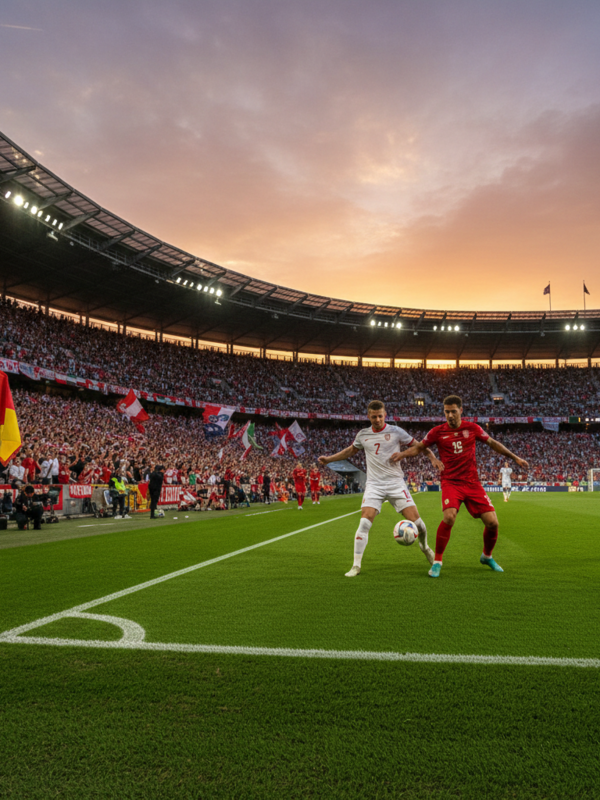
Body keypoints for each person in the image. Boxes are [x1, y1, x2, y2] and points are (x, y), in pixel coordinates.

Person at [392, 395, 529, 578]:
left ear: (461, 410)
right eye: (447, 412)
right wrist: (402, 455)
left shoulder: (472, 428)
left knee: (493, 522)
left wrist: (515, 458)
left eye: (453, 411)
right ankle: (437, 561)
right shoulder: (437, 432)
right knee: (449, 517)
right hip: (451, 482)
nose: (449, 415)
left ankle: (487, 556)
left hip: (472, 483)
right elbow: (419, 447)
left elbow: (493, 443)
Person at [318, 399, 442, 577]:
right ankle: (356, 565)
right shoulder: (363, 434)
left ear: (385, 415)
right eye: (374, 416)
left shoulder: (396, 431)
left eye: (380, 416)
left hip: (395, 483)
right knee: (364, 522)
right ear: (368, 416)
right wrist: (329, 459)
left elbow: (420, 446)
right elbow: (350, 451)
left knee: (418, 524)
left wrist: (432, 457)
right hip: (374, 485)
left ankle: (424, 546)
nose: (377, 419)